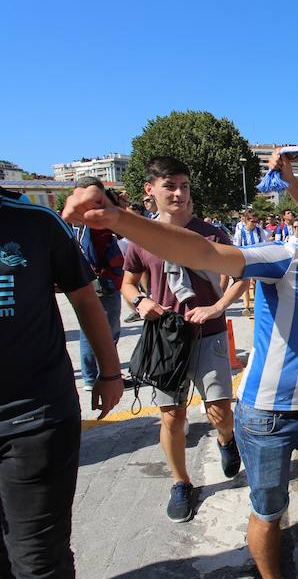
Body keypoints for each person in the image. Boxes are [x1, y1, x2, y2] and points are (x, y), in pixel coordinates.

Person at [62, 166, 298, 578]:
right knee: (269, 513)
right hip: (265, 417)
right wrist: (121, 219)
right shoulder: (284, 258)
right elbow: (204, 254)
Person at [1, 186, 123, 577]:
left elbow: (86, 300)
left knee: (37, 559)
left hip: (34, 417)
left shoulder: (35, 222)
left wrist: (109, 373)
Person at [120, 156, 247, 523]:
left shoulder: (211, 234)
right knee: (172, 417)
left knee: (220, 412)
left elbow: (240, 276)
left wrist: (218, 307)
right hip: (167, 340)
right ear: (150, 190)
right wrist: (141, 301)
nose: (178, 193)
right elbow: (128, 282)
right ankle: (180, 483)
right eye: (169, 186)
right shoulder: (141, 237)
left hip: (208, 333)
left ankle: (227, 439)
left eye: (184, 186)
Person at [75, 177, 126, 393]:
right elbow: (96, 254)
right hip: (103, 282)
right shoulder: (94, 224)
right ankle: (98, 373)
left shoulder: (78, 221)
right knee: (103, 330)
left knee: (89, 329)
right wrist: (110, 269)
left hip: (91, 280)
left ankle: (91, 374)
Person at [233, 211, 268, 316]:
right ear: (246, 221)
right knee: (245, 284)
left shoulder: (259, 231)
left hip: (257, 260)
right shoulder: (240, 232)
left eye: (256, 221)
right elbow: (236, 247)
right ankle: (246, 306)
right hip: (245, 260)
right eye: (252, 221)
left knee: (256, 283)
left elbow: (264, 244)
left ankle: (257, 305)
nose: (254, 224)